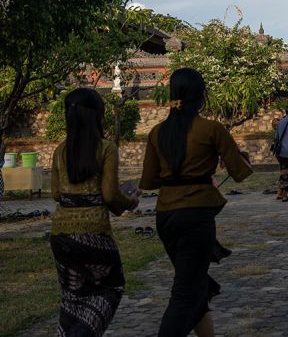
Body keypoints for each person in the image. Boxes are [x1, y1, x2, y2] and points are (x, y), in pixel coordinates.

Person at [140, 68, 253, 337]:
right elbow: (239, 172)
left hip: (165, 215)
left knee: (193, 284)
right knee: (186, 293)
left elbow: (149, 180)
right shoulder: (211, 130)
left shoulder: (157, 132)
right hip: (196, 217)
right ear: (201, 97)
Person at [49, 88, 140, 335]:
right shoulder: (106, 148)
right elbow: (110, 195)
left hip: (61, 235)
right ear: (97, 116)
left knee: (72, 298)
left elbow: (57, 194)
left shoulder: (60, 151)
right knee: (109, 289)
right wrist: (129, 201)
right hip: (94, 234)